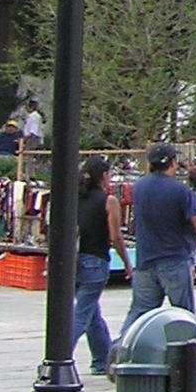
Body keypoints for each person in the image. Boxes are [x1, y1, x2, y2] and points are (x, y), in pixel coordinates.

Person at [122, 142, 196, 330]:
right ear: (173, 162)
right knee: (183, 313)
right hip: (174, 258)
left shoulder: (139, 187)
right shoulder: (180, 190)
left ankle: (124, 342)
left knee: (140, 311)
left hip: (146, 258)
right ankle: (186, 344)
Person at [72, 156, 126, 374]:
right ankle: (59, 357)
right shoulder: (108, 201)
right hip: (95, 259)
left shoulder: (73, 198)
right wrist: (126, 262)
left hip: (73, 260)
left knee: (91, 312)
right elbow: (115, 236)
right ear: (104, 176)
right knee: (82, 314)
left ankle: (101, 358)